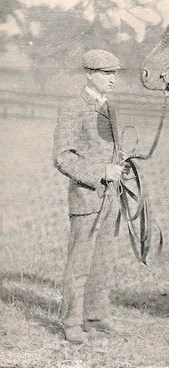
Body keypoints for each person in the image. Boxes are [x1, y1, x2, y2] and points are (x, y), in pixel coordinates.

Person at [52, 49, 126, 344]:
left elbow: (109, 150)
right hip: (86, 198)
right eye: (107, 73)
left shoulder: (109, 108)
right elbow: (62, 157)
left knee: (104, 259)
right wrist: (100, 172)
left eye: (115, 73)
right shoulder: (74, 108)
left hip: (110, 197)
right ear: (89, 74)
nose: (113, 79)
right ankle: (72, 323)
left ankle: (96, 316)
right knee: (80, 262)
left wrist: (119, 166)